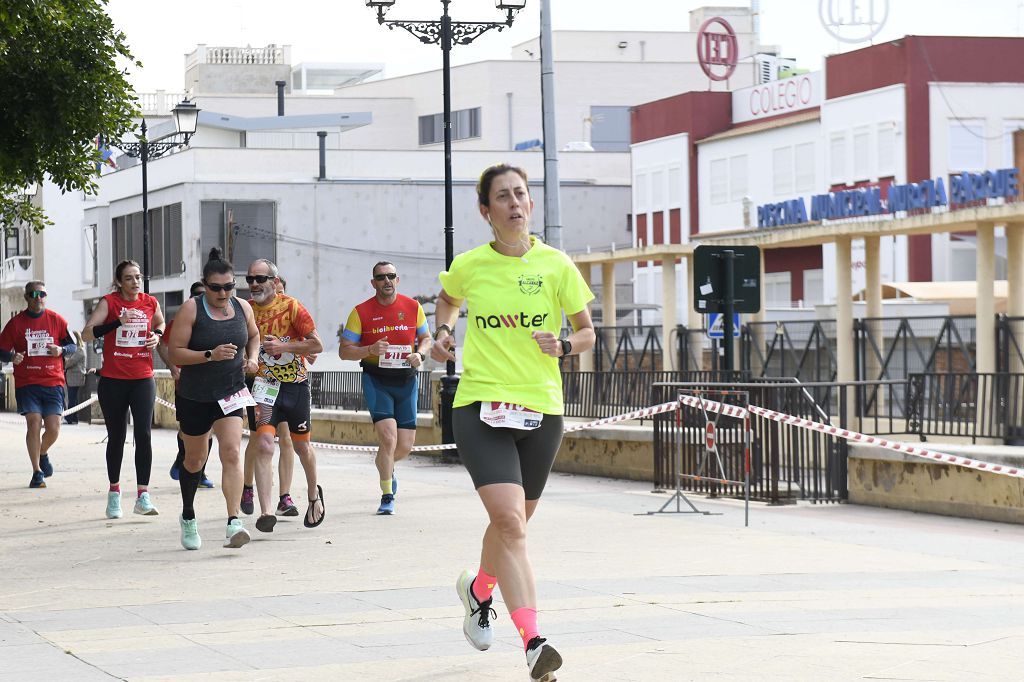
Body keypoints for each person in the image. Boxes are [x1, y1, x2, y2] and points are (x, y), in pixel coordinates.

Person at [429, 164, 595, 682]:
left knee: (513, 524)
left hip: (541, 409)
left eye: (521, 194)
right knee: (510, 524)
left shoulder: (556, 264)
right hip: (480, 406)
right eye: (503, 196)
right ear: (486, 210)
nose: (515, 203)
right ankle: (534, 643)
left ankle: (479, 590)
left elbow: (587, 332)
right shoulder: (470, 264)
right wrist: (442, 334)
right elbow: (448, 299)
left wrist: (563, 345)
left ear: (531, 203)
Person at [167, 248, 260, 550]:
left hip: (231, 391)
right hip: (195, 396)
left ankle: (234, 522)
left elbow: (254, 335)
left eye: (229, 286)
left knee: (231, 452)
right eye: (216, 288)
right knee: (195, 459)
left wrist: (253, 357)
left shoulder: (242, 307)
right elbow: (175, 352)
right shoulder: (191, 309)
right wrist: (210, 354)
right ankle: (188, 515)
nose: (223, 293)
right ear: (205, 285)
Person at [339, 261, 431, 515]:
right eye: (381, 277)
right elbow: (344, 351)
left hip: (406, 381)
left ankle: (386, 465)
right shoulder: (361, 312)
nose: (386, 281)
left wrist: (420, 355)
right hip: (377, 380)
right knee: (388, 438)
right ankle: (387, 495)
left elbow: (425, 338)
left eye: (391, 276)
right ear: (373, 283)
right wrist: (369, 349)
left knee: (404, 446)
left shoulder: (413, 307)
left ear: (397, 280)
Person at [245, 258, 325, 531]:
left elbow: (317, 345)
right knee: (264, 444)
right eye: (250, 279)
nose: (254, 284)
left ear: (274, 282)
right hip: (264, 386)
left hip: (295, 386)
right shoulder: (246, 309)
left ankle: (313, 496)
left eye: (260, 279)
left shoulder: (292, 306)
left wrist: (284, 346)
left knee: (301, 447)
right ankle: (266, 511)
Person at [83, 260, 165, 518]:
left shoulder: (150, 302)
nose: (135, 282)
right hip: (113, 380)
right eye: (129, 278)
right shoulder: (109, 302)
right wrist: (117, 322)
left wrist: (157, 336)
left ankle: (143, 496)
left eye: (138, 277)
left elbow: (161, 323)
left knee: (144, 435)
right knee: (117, 437)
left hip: (142, 378)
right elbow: (87, 334)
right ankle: (114, 493)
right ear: (119, 282)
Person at [0, 281, 76, 488]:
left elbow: (73, 345)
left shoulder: (56, 319)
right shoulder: (16, 323)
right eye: (34, 294)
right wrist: (12, 356)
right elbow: (1, 350)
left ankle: (42, 453)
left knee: (54, 428)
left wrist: (61, 350)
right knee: (33, 422)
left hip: (53, 381)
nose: (38, 298)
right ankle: (37, 472)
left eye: (42, 294)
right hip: (28, 382)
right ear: (26, 297)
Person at [240, 275, 303, 518]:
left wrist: (304, 353)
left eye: (281, 291)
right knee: (258, 438)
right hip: (259, 381)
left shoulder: (292, 309)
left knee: (286, 439)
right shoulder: (248, 309)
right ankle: (247, 486)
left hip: (287, 381)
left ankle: (284, 497)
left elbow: (302, 340)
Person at [158, 281, 214, 489]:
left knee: (209, 431)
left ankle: (200, 473)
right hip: (186, 384)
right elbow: (162, 345)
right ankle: (182, 458)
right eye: (197, 294)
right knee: (187, 430)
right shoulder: (180, 320)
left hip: (214, 384)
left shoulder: (220, 318)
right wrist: (173, 366)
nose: (201, 298)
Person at [63, 330, 87, 425]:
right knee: (74, 398)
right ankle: (74, 418)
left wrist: (66, 361)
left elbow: (70, 362)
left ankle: (69, 418)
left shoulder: (79, 350)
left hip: (75, 377)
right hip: (73, 377)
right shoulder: (77, 349)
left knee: (72, 398)